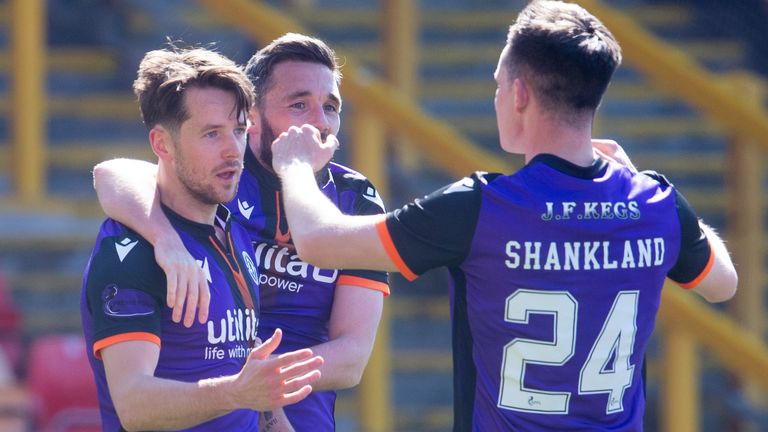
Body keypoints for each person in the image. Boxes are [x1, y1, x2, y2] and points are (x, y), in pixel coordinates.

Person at [269, 1, 738, 431]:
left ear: (518, 94)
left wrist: (292, 164)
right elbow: (723, 284)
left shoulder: (481, 206)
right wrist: (643, 184)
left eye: (497, 85)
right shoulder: (656, 202)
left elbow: (316, 240)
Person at [92, 34, 387, 431]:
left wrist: (259, 388)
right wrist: (167, 240)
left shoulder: (355, 197)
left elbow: (351, 359)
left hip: (291, 408)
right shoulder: (219, 179)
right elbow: (113, 174)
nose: (319, 123)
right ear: (255, 117)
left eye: (331, 107)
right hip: (205, 396)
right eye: (299, 105)